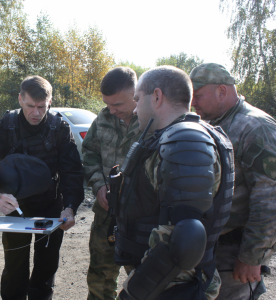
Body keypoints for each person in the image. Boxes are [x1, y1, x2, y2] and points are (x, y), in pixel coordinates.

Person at [115, 66, 234, 300]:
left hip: (173, 286)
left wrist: (134, 293)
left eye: (138, 99)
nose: (136, 108)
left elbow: (182, 240)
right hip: (164, 281)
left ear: (157, 97)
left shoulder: (186, 142)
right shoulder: (174, 138)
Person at [0, 75, 84, 300]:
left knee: (46, 266)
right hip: (15, 207)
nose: (36, 113)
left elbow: (72, 172)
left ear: (49, 102)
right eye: (31, 106)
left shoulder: (59, 128)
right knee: (15, 267)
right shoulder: (5, 126)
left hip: (51, 206)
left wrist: (70, 207)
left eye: (42, 107)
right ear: (20, 99)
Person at [190, 63, 276, 300]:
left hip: (235, 250)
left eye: (197, 95)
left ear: (221, 91)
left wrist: (251, 258)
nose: (193, 102)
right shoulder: (215, 123)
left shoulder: (256, 127)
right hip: (213, 247)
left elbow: (269, 199)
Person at [82, 67, 141, 300]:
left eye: (118, 104)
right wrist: (99, 185)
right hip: (106, 214)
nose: (111, 110)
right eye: (108, 104)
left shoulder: (153, 119)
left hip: (141, 218)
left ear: (136, 95)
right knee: (100, 277)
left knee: (142, 279)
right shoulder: (103, 118)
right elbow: (90, 154)